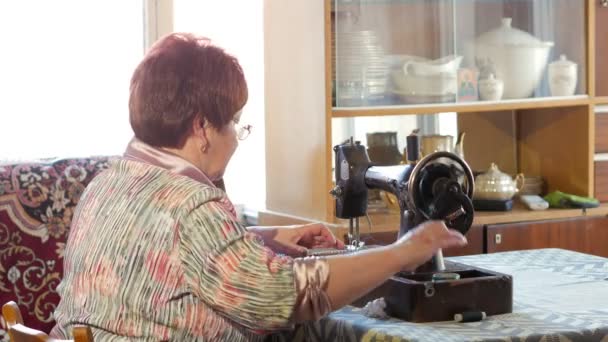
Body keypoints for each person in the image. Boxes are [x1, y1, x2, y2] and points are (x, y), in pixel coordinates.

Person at [51, 33, 467, 341]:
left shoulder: (109, 181)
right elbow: (289, 296)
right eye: (233, 121)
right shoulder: (193, 207)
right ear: (202, 128)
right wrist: (402, 252)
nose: (235, 136)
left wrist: (263, 238)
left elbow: (160, 248)